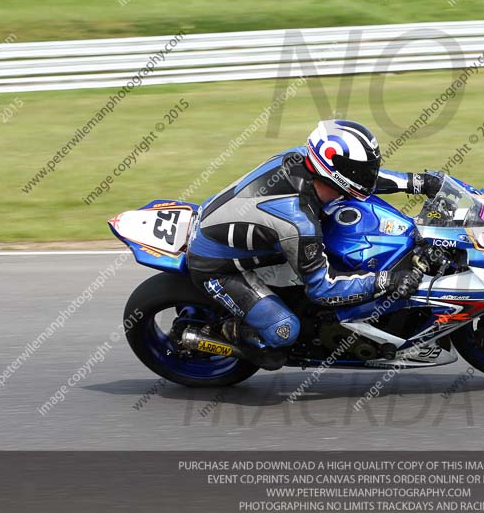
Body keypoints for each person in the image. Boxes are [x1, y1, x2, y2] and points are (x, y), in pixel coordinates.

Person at [187, 119, 441, 369]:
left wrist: (416, 182)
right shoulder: (298, 222)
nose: (369, 175)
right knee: (283, 332)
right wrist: (387, 280)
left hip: (239, 231)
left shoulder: (303, 157)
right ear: (335, 171)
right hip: (217, 267)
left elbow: (362, 181)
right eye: (362, 170)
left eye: (369, 168)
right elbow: (323, 289)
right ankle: (232, 332)